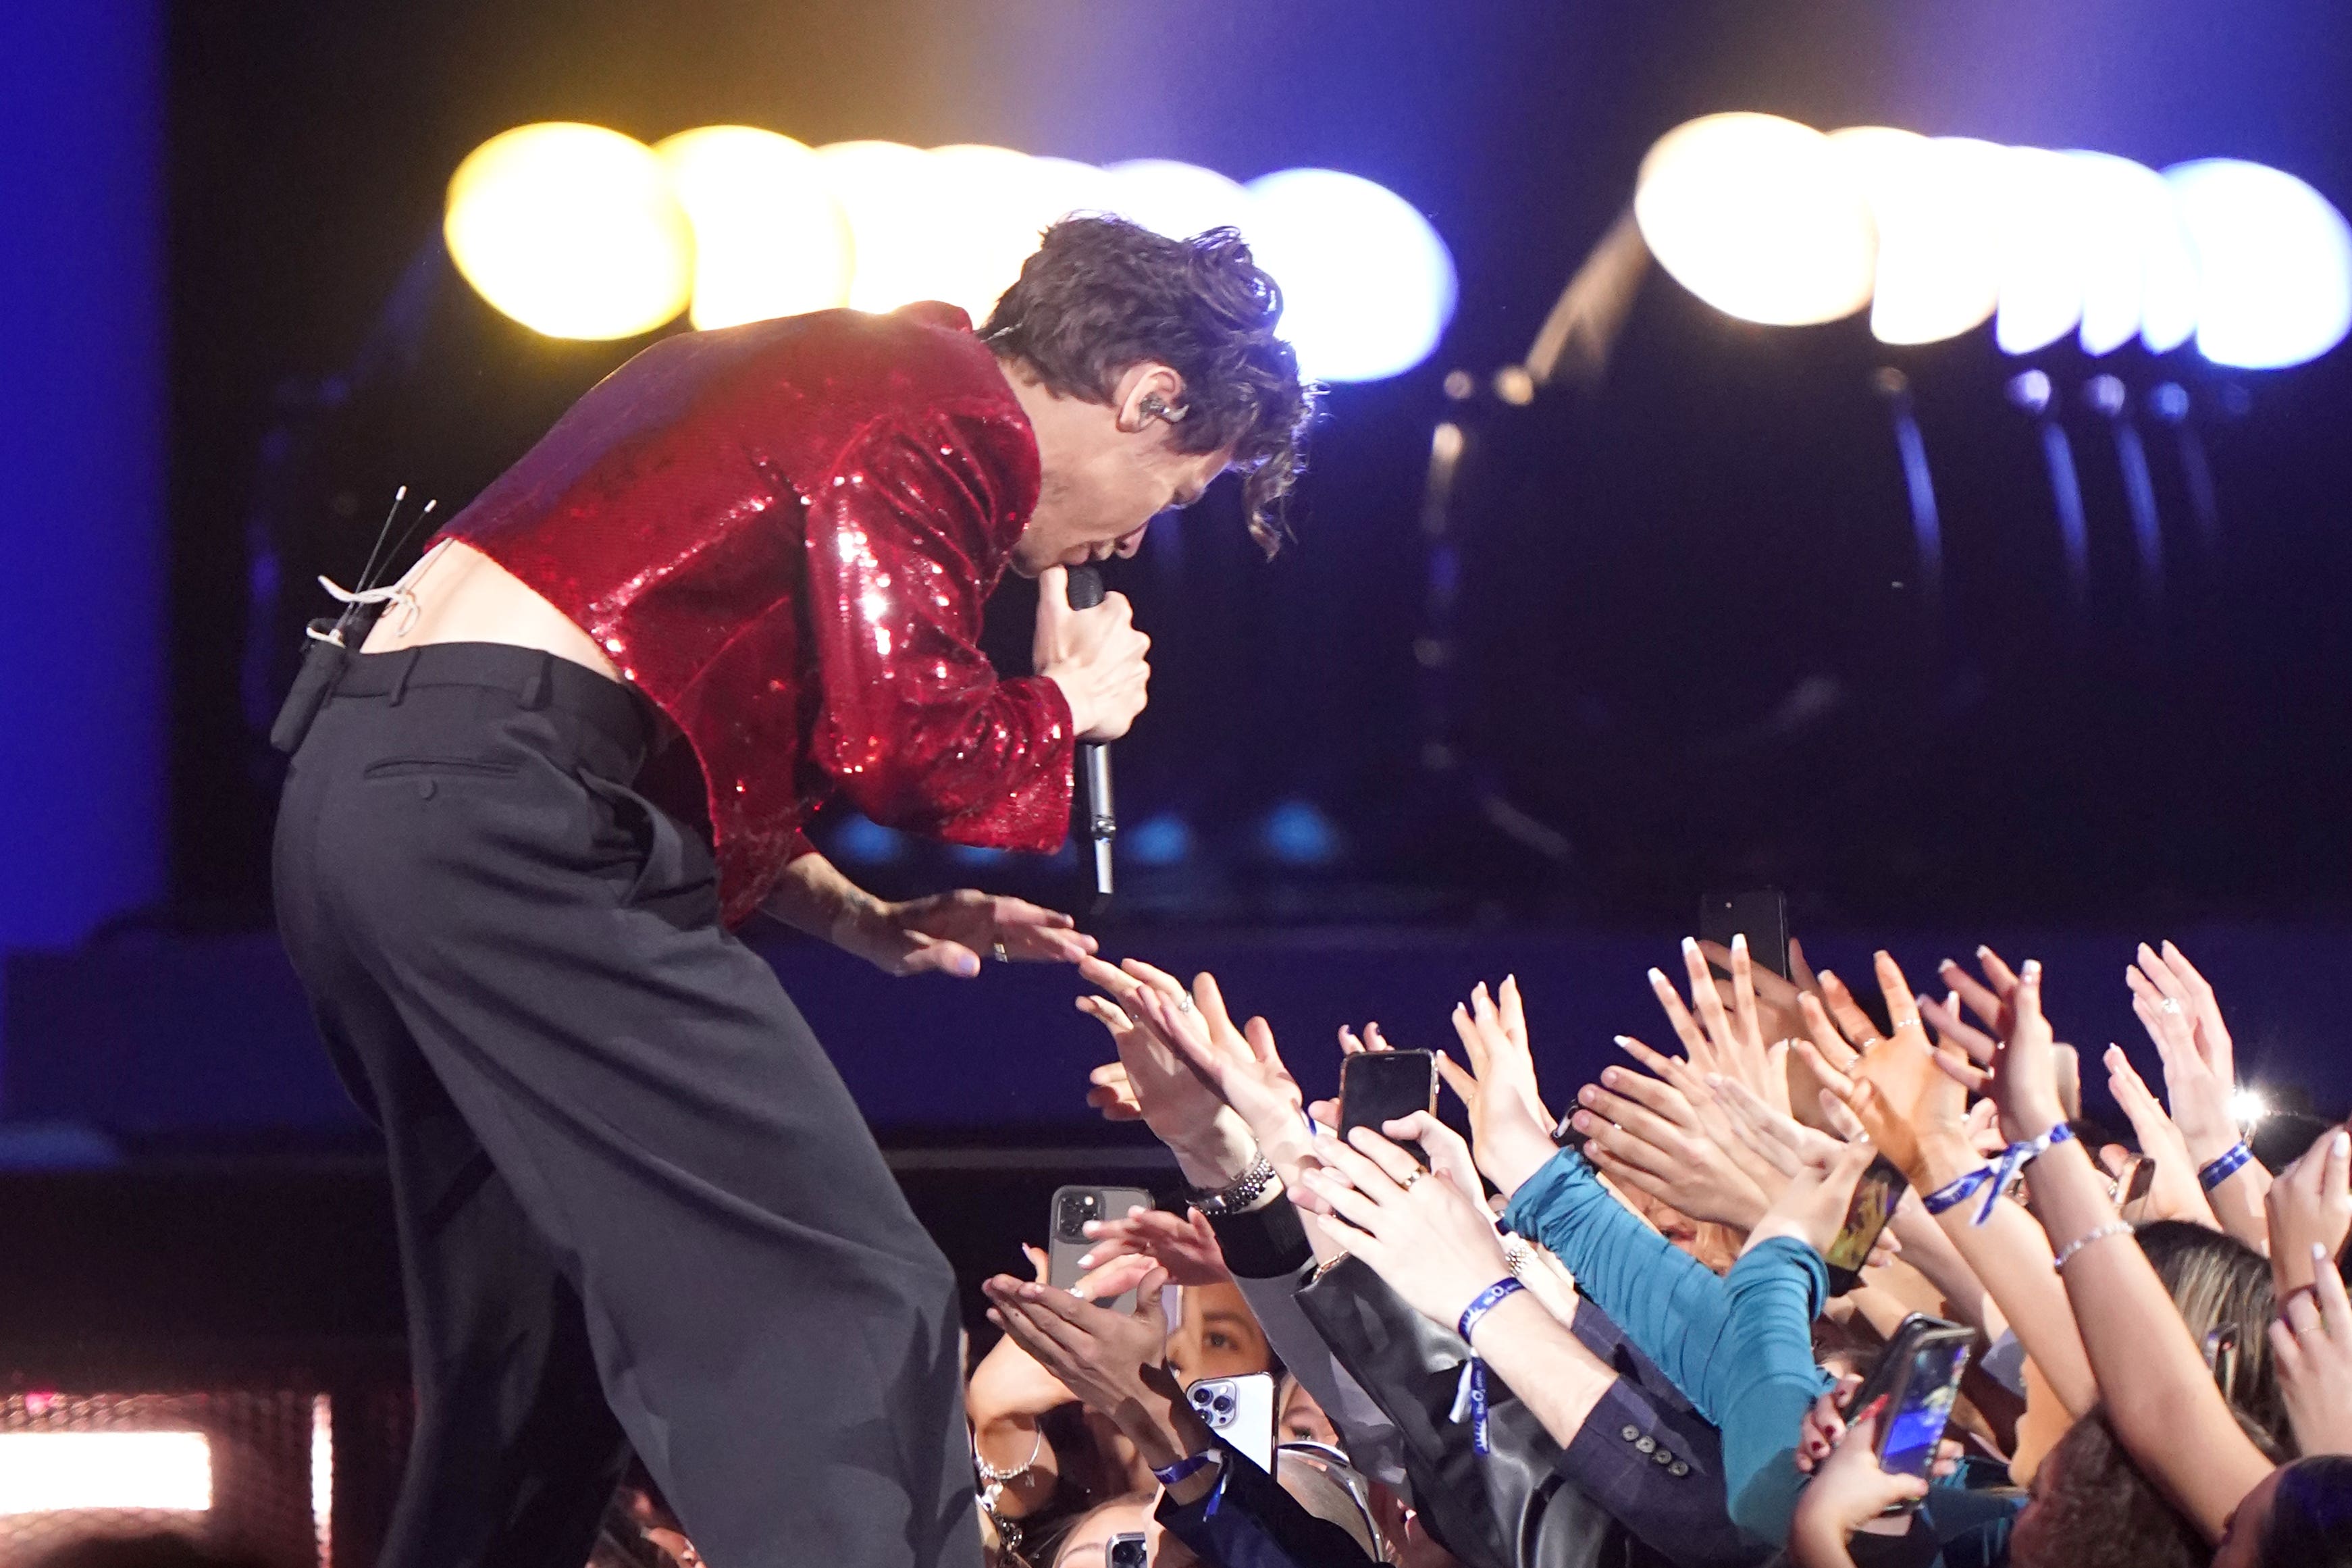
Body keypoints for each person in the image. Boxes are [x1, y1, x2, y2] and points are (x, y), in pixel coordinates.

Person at [271, 215, 1313, 1568]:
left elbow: (650, 688)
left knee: (533, 1347)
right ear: (1145, 396)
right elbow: (911, 748)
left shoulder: (819, 371)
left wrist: (851, 916)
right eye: (1168, 497)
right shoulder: (944, 413)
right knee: (842, 1291)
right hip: (502, 827)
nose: (1123, 543)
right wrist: (1071, 703)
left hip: (380, 802)